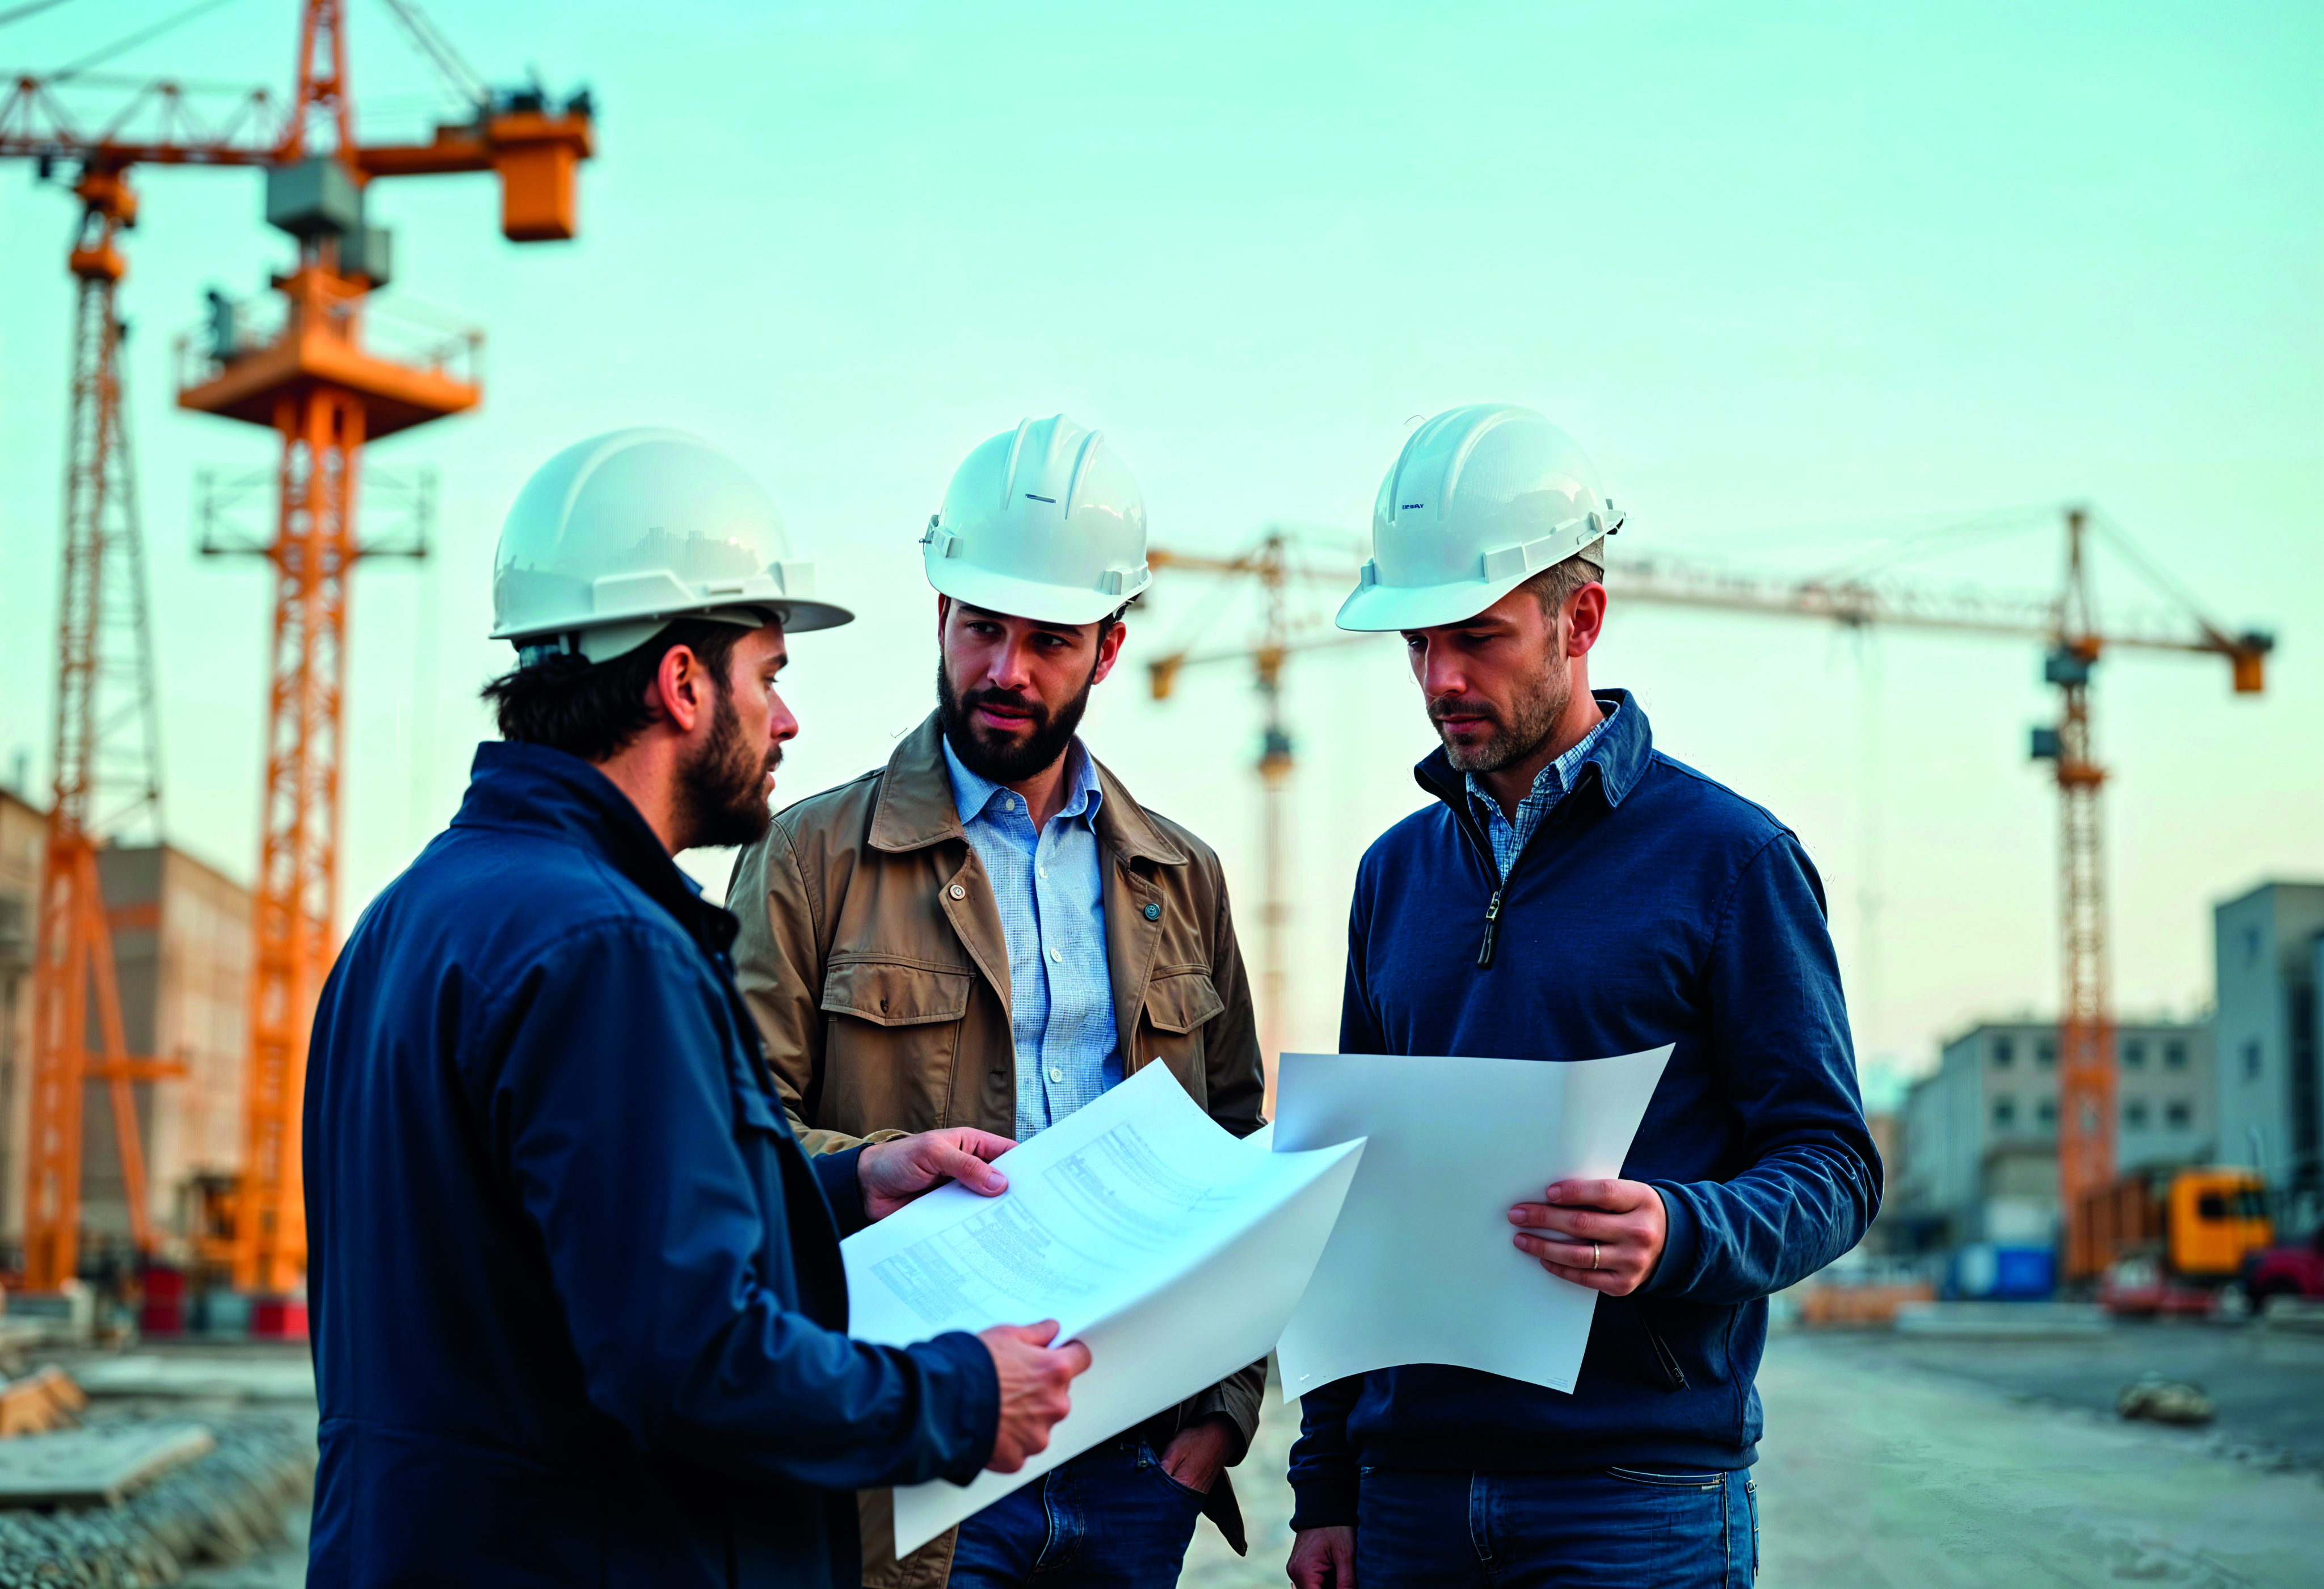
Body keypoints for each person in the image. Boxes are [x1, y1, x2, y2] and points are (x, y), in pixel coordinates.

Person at [303, 428, 1092, 1588]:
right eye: (768, 675)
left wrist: (839, 1182)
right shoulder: (606, 948)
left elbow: (549, 1236)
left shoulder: (412, 916)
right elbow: (687, 1360)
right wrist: (963, 1393)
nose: (785, 722)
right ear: (682, 682)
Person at [1285, 405, 1882, 1589]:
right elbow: (1351, 1196)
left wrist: (1677, 1228)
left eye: (1476, 637)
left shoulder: (1729, 860)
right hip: (1407, 1499)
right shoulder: (1392, 876)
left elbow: (1831, 1164)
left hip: (1635, 1498)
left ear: (1581, 617)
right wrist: (1326, 1484)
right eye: (1412, 643)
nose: (1438, 678)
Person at [725, 414, 1269, 1589]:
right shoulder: (809, 858)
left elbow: (1236, 1157)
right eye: (981, 628)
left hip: (1133, 1468)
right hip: (915, 1466)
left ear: (1111, 647)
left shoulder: (1181, 877)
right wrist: (876, 1161)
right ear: (939, 616)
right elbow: (732, 1146)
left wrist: (1218, 1412)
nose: (1005, 670)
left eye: (1049, 640)